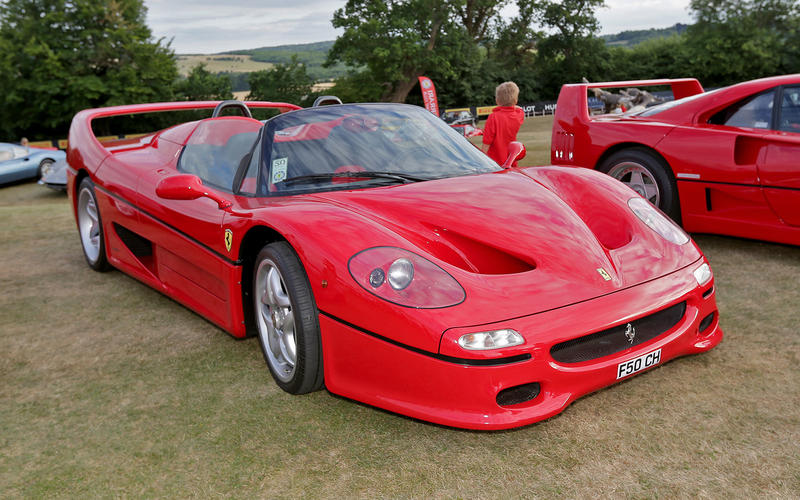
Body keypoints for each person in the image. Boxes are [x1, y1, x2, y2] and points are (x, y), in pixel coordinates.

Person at [481, 82, 525, 166]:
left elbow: (486, 142)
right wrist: (512, 104)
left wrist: (482, 160)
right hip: (511, 160)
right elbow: (520, 109)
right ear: (516, 101)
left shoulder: (493, 117)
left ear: (497, 101)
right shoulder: (518, 115)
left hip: (494, 162)